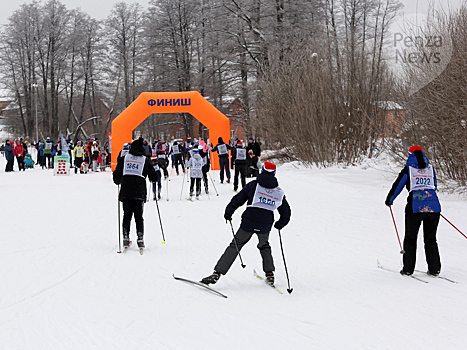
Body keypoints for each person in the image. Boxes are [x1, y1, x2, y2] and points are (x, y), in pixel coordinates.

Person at [201, 161, 291, 286]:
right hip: (265, 224)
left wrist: (229, 212)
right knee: (264, 246)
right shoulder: (278, 192)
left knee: (236, 245)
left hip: (249, 221)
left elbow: (238, 199)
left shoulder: (253, 185)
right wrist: (281, 223)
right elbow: (286, 212)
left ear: (262, 170)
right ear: (274, 174)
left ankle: (217, 273)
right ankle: (270, 273)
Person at [385, 145, 442, 277]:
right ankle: (435, 269)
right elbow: (434, 185)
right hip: (434, 208)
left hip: (414, 208)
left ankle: (408, 269)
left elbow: (398, 186)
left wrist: (389, 200)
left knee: (410, 239)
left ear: (410, 154)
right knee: (431, 239)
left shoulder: (408, 170)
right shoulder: (430, 169)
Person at [113, 137, 159, 250]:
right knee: (139, 216)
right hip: (139, 192)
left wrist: (118, 181)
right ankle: (140, 238)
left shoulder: (125, 158)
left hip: (126, 191)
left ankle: (125, 237)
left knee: (127, 215)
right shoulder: (145, 160)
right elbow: (154, 177)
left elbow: (116, 174)